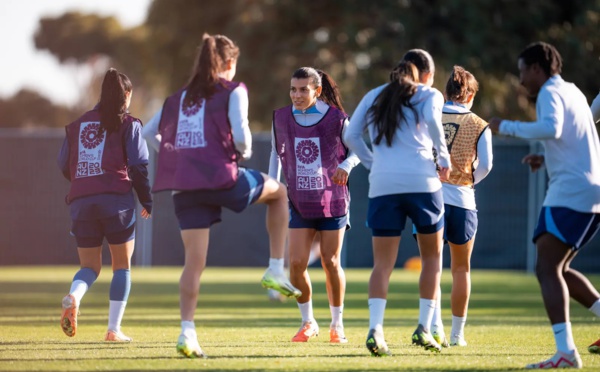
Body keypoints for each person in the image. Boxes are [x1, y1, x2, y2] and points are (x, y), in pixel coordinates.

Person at [142, 33, 301, 358]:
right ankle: (274, 268)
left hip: (184, 187)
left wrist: (175, 156)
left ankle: (187, 332)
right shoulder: (233, 89)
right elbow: (241, 135)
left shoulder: (179, 97)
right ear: (229, 64)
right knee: (280, 193)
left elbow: (147, 133)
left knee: (193, 264)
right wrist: (241, 151)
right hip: (221, 177)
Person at [489, 41, 600, 369]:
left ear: (537, 68)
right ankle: (567, 348)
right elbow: (577, 137)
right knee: (559, 269)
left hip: (570, 194)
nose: (521, 80)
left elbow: (551, 128)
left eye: (523, 72)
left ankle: (565, 353)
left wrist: (504, 126)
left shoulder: (551, 92)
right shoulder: (574, 91)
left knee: (546, 268)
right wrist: (546, 156)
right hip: (590, 192)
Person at [344, 49, 451, 356]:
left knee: (382, 265)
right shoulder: (430, 94)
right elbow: (432, 120)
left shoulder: (375, 94)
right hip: (423, 183)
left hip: (383, 184)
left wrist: (372, 162)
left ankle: (375, 331)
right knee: (432, 259)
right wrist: (442, 157)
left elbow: (351, 134)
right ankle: (423, 327)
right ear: (427, 75)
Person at [58, 68, 152, 342]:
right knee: (121, 267)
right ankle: (113, 330)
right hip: (116, 204)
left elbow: (65, 165)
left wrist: (87, 182)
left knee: (89, 267)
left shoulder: (77, 125)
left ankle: (74, 296)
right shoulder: (130, 123)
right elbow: (138, 165)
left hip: (81, 202)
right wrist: (146, 199)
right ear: (127, 94)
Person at [270, 67, 360, 343]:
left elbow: (358, 149)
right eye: (293, 89)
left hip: (332, 201)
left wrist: (346, 164)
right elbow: (275, 154)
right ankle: (308, 321)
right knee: (296, 264)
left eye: (303, 90)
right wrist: (273, 188)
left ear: (317, 91)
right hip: (299, 202)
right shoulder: (282, 118)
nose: (297, 95)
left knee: (330, 262)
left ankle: (337, 324)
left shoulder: (337, 119)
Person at [424, 66, 493, 348]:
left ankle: (434, 326)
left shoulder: (429, 118)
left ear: (446, 92)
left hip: (429, 198)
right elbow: (487, 165)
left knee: (431, 265)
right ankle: (457, 334)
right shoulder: (479, 123)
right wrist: (466, 178)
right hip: (463, 201)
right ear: (471, 94)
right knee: (461, 269)